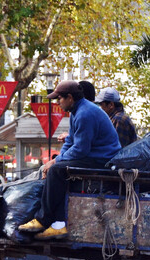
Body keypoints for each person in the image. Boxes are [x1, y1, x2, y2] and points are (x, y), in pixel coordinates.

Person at [18, 80, 121, 239]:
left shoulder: (84, 114)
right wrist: (57, 159)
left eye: (59, 98)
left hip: (103, 159)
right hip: (93, 155)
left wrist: (55, 163)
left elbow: (81, 149)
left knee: (56, 171)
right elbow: (70, 142)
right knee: (57, 170)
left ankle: (43, 220)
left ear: (70, 98)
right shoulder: (77, 111)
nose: (58, 102)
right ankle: (59, 225)